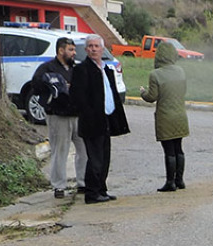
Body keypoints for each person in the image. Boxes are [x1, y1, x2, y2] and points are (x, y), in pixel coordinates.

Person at [70, 34, 130, 204]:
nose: (94, 49)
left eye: (96, 46)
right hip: (92, 121)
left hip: (107, 119)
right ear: (86, 49)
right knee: (95, 158)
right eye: (90, 46)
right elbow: (77, 97)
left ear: (102, 49)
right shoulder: (82, 70)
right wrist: (89, 113)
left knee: (104, 157)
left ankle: (101, 189)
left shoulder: (106, 69)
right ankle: (92, 193)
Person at [31, 37, 86, 199]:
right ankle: (59, 186)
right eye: (71, 50)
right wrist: (53, 89)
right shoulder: (46, 69)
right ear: (61, 50)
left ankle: (83, 183)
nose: (74, 53)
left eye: (74, 50)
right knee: (60, 152)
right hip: (58, 116)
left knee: (84, 151)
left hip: (78, 115)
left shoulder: (76, 68)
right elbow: (36, 87)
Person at [139, 41, 190, 192]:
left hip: (165, 117)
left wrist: (143, 92)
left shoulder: (155, 74)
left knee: (169, 151)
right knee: (179, 149)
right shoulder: (180, 71)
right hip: (180, 115)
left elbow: (151, 97)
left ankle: (170, 182)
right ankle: (180, 180)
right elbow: (183, 91)